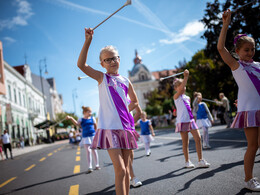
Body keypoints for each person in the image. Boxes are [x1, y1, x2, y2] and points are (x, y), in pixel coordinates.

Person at [77, 28, 142, 195]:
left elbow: (134, 101)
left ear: (119, 59)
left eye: (114, 58)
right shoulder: (102, 78)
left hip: (126, 127)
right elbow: (81, 65)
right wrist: (88, 41)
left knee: (127, 169)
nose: (112, 61)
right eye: (108, 59)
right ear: (102, 63)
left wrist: (125, 110)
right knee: (120, 168)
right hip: (110, 128)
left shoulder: (126, 81)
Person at [217, 9, 260, 191]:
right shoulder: (237, 65)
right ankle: (248, 179)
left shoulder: (258, 66)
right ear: (237, 51)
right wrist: (225, 25)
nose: (250, 53)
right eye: (246, 50)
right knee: (253, 146)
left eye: (253, 49)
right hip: (250, 111)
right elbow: (220, 48)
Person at [173, 70, 210, 168]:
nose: (183, 87)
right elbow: (180, 91)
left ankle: (200, 160)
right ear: (176, 88)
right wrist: (185, 77)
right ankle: (187, 161)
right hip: (182, 122)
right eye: (180, 86)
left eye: (183, 85)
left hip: (191, 120)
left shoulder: (188, 97)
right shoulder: (176, 96)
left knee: (198, 138)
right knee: (185, 142)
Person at [66, 106, 100, 173]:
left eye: (91, 111)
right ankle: (90, 166)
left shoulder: (92, 118)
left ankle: (97, 165)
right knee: (88, 151)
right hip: (85, 137)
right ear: (84, 112)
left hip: (92, 136)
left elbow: (96, 127)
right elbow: (76, 124)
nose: (90, 113)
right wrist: (71, 118)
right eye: (89, 112)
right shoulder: (81, 119)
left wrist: (97, 134)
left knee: (94, 150)